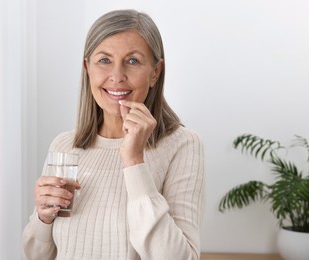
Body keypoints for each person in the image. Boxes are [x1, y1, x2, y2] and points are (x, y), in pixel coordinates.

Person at [22, 9, 205, 260]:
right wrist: (43, 217)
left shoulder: (182, 145)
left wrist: (134, 161)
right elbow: (36, 255)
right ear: (87, 68)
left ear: (155, 72)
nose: (117, 77)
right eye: (104, 60)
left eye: (132, 61)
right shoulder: (64, 146)